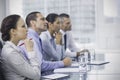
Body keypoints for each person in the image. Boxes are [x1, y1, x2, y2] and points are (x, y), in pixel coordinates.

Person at [0, 15, 40, 80]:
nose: (27, 30)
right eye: (23, 26)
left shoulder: (14, 48)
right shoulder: (11, 53)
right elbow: (36, 75)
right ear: (13, 31)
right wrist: (30, 51)